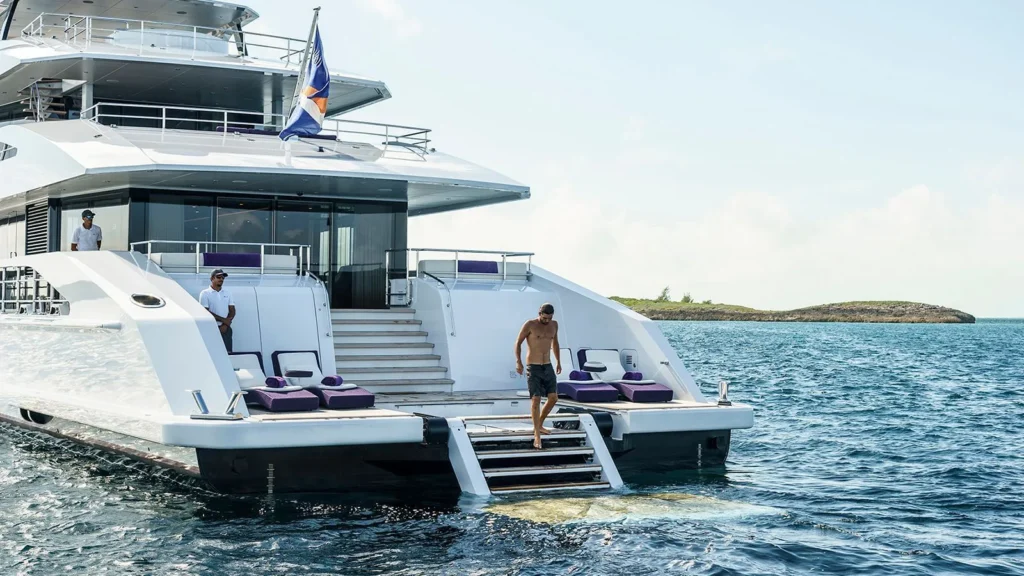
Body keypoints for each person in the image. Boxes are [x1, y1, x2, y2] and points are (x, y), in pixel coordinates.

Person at [514, 303, 562, 449]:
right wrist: (519, 362)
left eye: (549, 318)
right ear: (540, 313)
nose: (547, 321)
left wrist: (559, 361)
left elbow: (555, 343)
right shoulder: (530, 324)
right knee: (536, 399)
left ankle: (539, 424)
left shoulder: (554, 325)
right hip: (533, 366)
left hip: (547, 365)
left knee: (553, 398)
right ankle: (537, 434)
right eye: (545, 318)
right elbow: (518, 343)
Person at [200, 269, 236, 352]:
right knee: (213, 353)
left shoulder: (227, 293)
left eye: (223, 278)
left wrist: (225, 325)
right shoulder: (205, 293)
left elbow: (232, 310)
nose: (221, 279)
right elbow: (205, 312)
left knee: (228, 353)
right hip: (212, 329)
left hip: (226, 329)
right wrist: (224, 321)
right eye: (218, 277)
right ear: (212, 278)